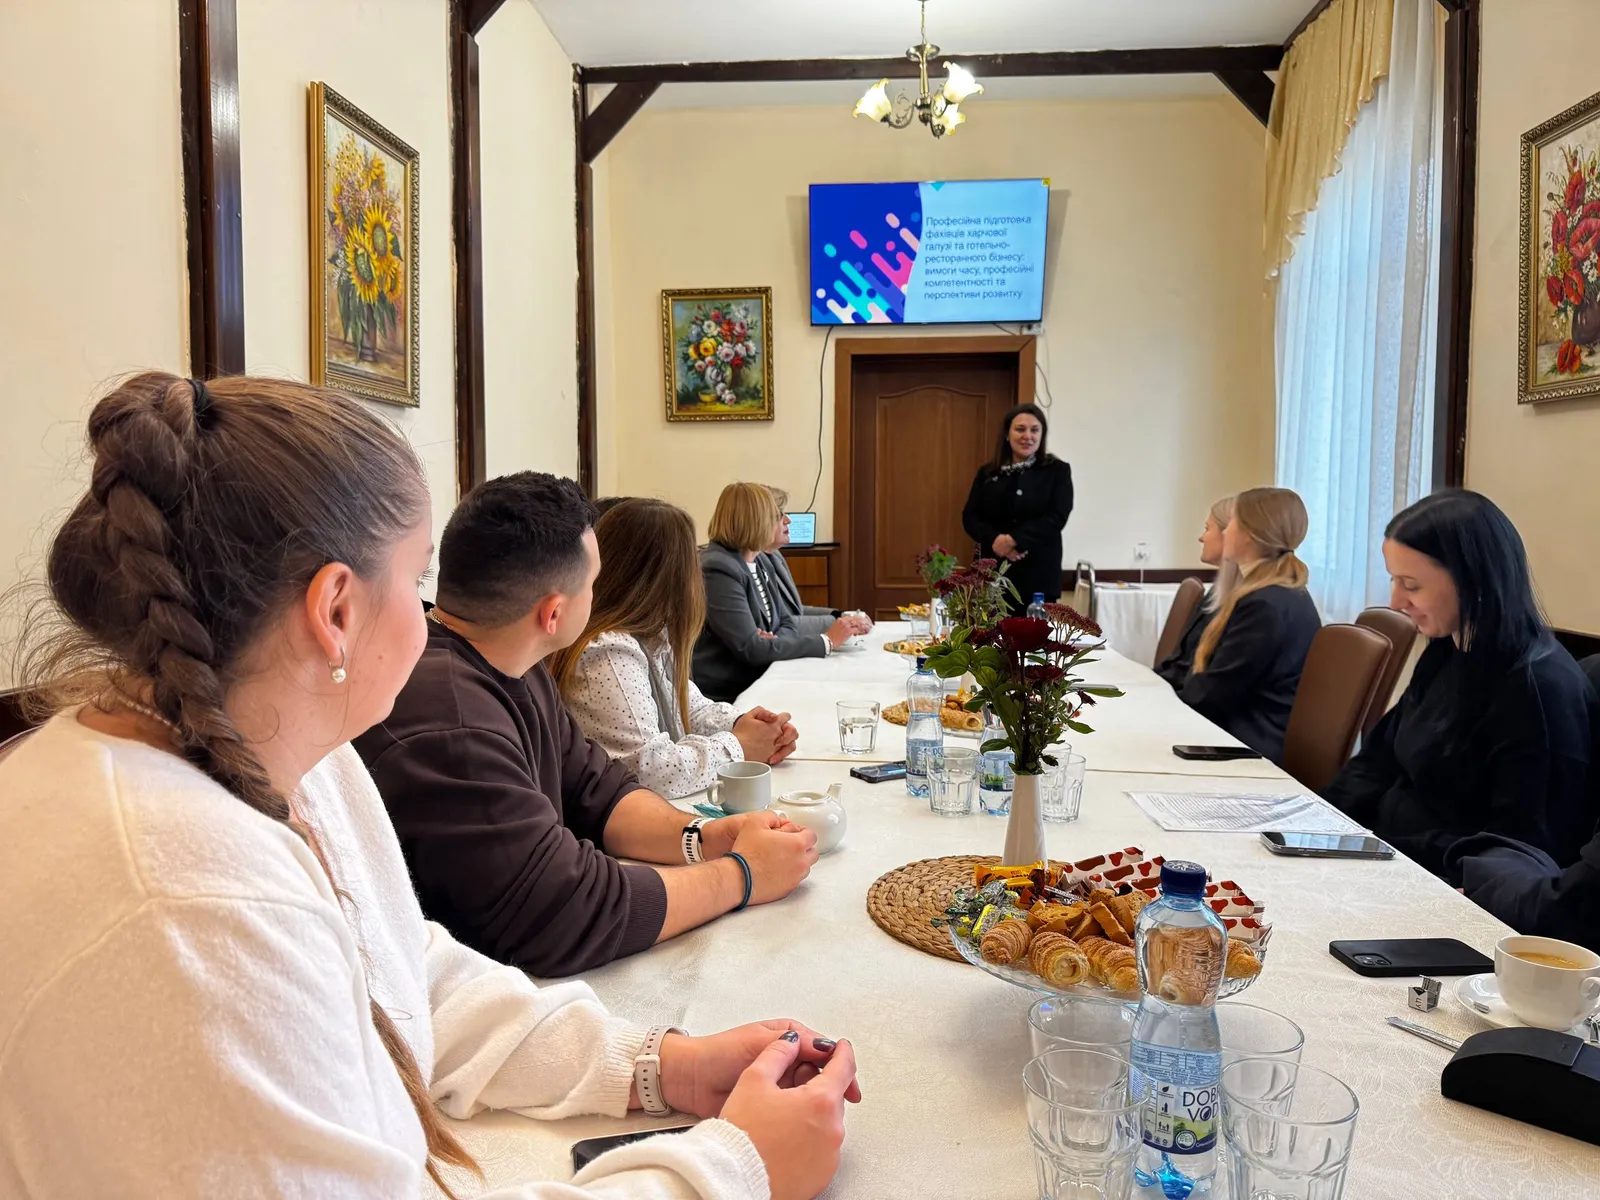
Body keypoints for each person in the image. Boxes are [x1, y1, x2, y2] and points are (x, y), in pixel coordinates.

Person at [0, 372, 857, 1198]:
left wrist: (659, 1065)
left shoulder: (300, 755)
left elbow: (404, 971)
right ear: (336, 612)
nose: (433, 616)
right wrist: (729, 1171)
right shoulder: (183, 910)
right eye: (414, 581)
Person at [354, 473, 819, 977]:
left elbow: (597, 790)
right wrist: (742, 876)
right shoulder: (452, 721)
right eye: (594, 583)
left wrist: (707, 836)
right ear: (554, 613)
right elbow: (565, 911)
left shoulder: (512, 661)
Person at [1326, 490, 1594, 879]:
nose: (1396, 601)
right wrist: (1323, 821)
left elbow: (1520, 848)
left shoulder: (1536, 690)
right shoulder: (1446, 651)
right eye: (1394, 580)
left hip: (1444, 880)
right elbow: (1376, 761)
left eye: (1411, 585)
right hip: (1392, 855)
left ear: (1474, 582)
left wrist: (1386, 847)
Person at [552, 498, 801, 799]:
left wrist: (747, 725)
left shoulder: (649, 634)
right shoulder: (609, 651)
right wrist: (740, 745)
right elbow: (650, 770)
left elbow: (688, 706)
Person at [1175, 486, 1320, 765]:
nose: (1225, 531)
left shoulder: (1264, 604)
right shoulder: (1271, 593)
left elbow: (1211, 695)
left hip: (1247, 744)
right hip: (1237, 730)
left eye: (1232, 523)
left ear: (1249, 535)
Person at [694, 482, 870, 703]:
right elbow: (751, 648)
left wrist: (771, 642)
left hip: (763, 675)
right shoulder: (719, 568)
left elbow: (785, 621)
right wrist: (827, 641)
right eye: (778, 515)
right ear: (756, 520)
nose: (787, 520)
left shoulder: (760, 560)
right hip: (730, 692)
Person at [961, 403, 1074, 612]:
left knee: (1036, 633)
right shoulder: (988, 473)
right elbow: (970, 517)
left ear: (1042, 435)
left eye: (1034, 430)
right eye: (1020, 429)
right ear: (1007, 434)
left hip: (1039, 575)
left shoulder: (1057, 471)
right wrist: (996, 540)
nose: (1027, 436)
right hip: (994, 574)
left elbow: (1057, 516)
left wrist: (1014, 540)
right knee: (991, 632)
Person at [1155, 495, 1240, 687]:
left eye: (1207, 529)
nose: (1201, 538)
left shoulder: (1252, 604)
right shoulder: (1218, 591)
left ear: (1228, 534)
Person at [760, 486, 848, 637]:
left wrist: (839, 615)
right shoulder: (751, 563)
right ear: (760, 522)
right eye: (779, 515)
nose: (788, 520)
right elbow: (778, 623)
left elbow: (795, 611)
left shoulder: (775, 555)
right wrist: (840, 623)